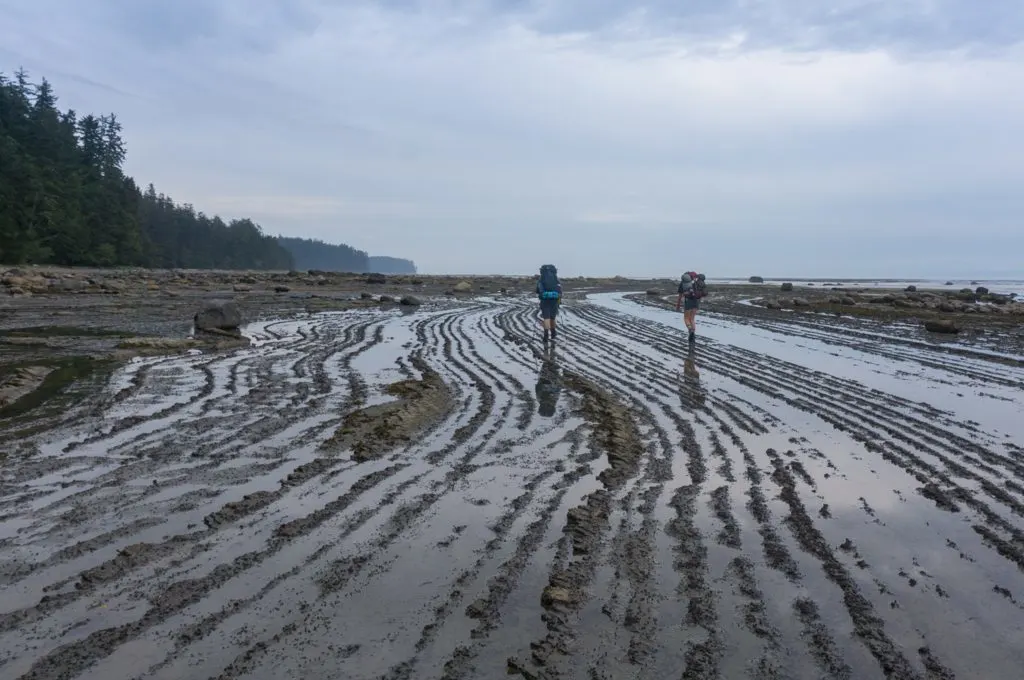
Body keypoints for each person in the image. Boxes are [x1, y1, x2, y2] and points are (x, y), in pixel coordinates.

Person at [675, 271, 707, 343]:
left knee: (686, 318)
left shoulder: (683, 284)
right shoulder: (696, 282)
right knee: (692, 319)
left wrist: (678, 305)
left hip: (688, 302)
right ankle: (693, 335)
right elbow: (700, 294)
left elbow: (680, 296)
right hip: (696, 302)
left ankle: (690, 330)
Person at [536, 264, 563, 345]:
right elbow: (560, 291)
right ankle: (553, 332)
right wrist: (559, 300)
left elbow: (538, 290)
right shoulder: (556, 279)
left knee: (546, 318)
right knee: (552, 317)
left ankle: (546, 335)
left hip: (544, 301)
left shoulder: (541, 279)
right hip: (554, 301)